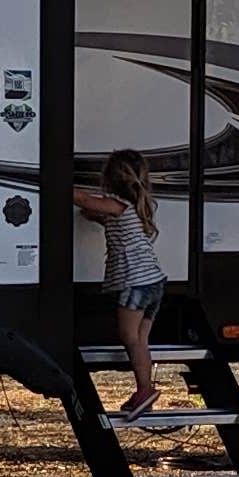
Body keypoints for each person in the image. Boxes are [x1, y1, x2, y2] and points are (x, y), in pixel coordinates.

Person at [71, 150, 172, 416]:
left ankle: (145, 390)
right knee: (141, 339)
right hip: (154, 283)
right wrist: (95, 214)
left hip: (136, 283)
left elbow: (83, 200)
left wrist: (54, 182)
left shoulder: (117, 205)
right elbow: (91, 212)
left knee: (129, 337)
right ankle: (144, 390)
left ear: (111, 179)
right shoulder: (132, 208)